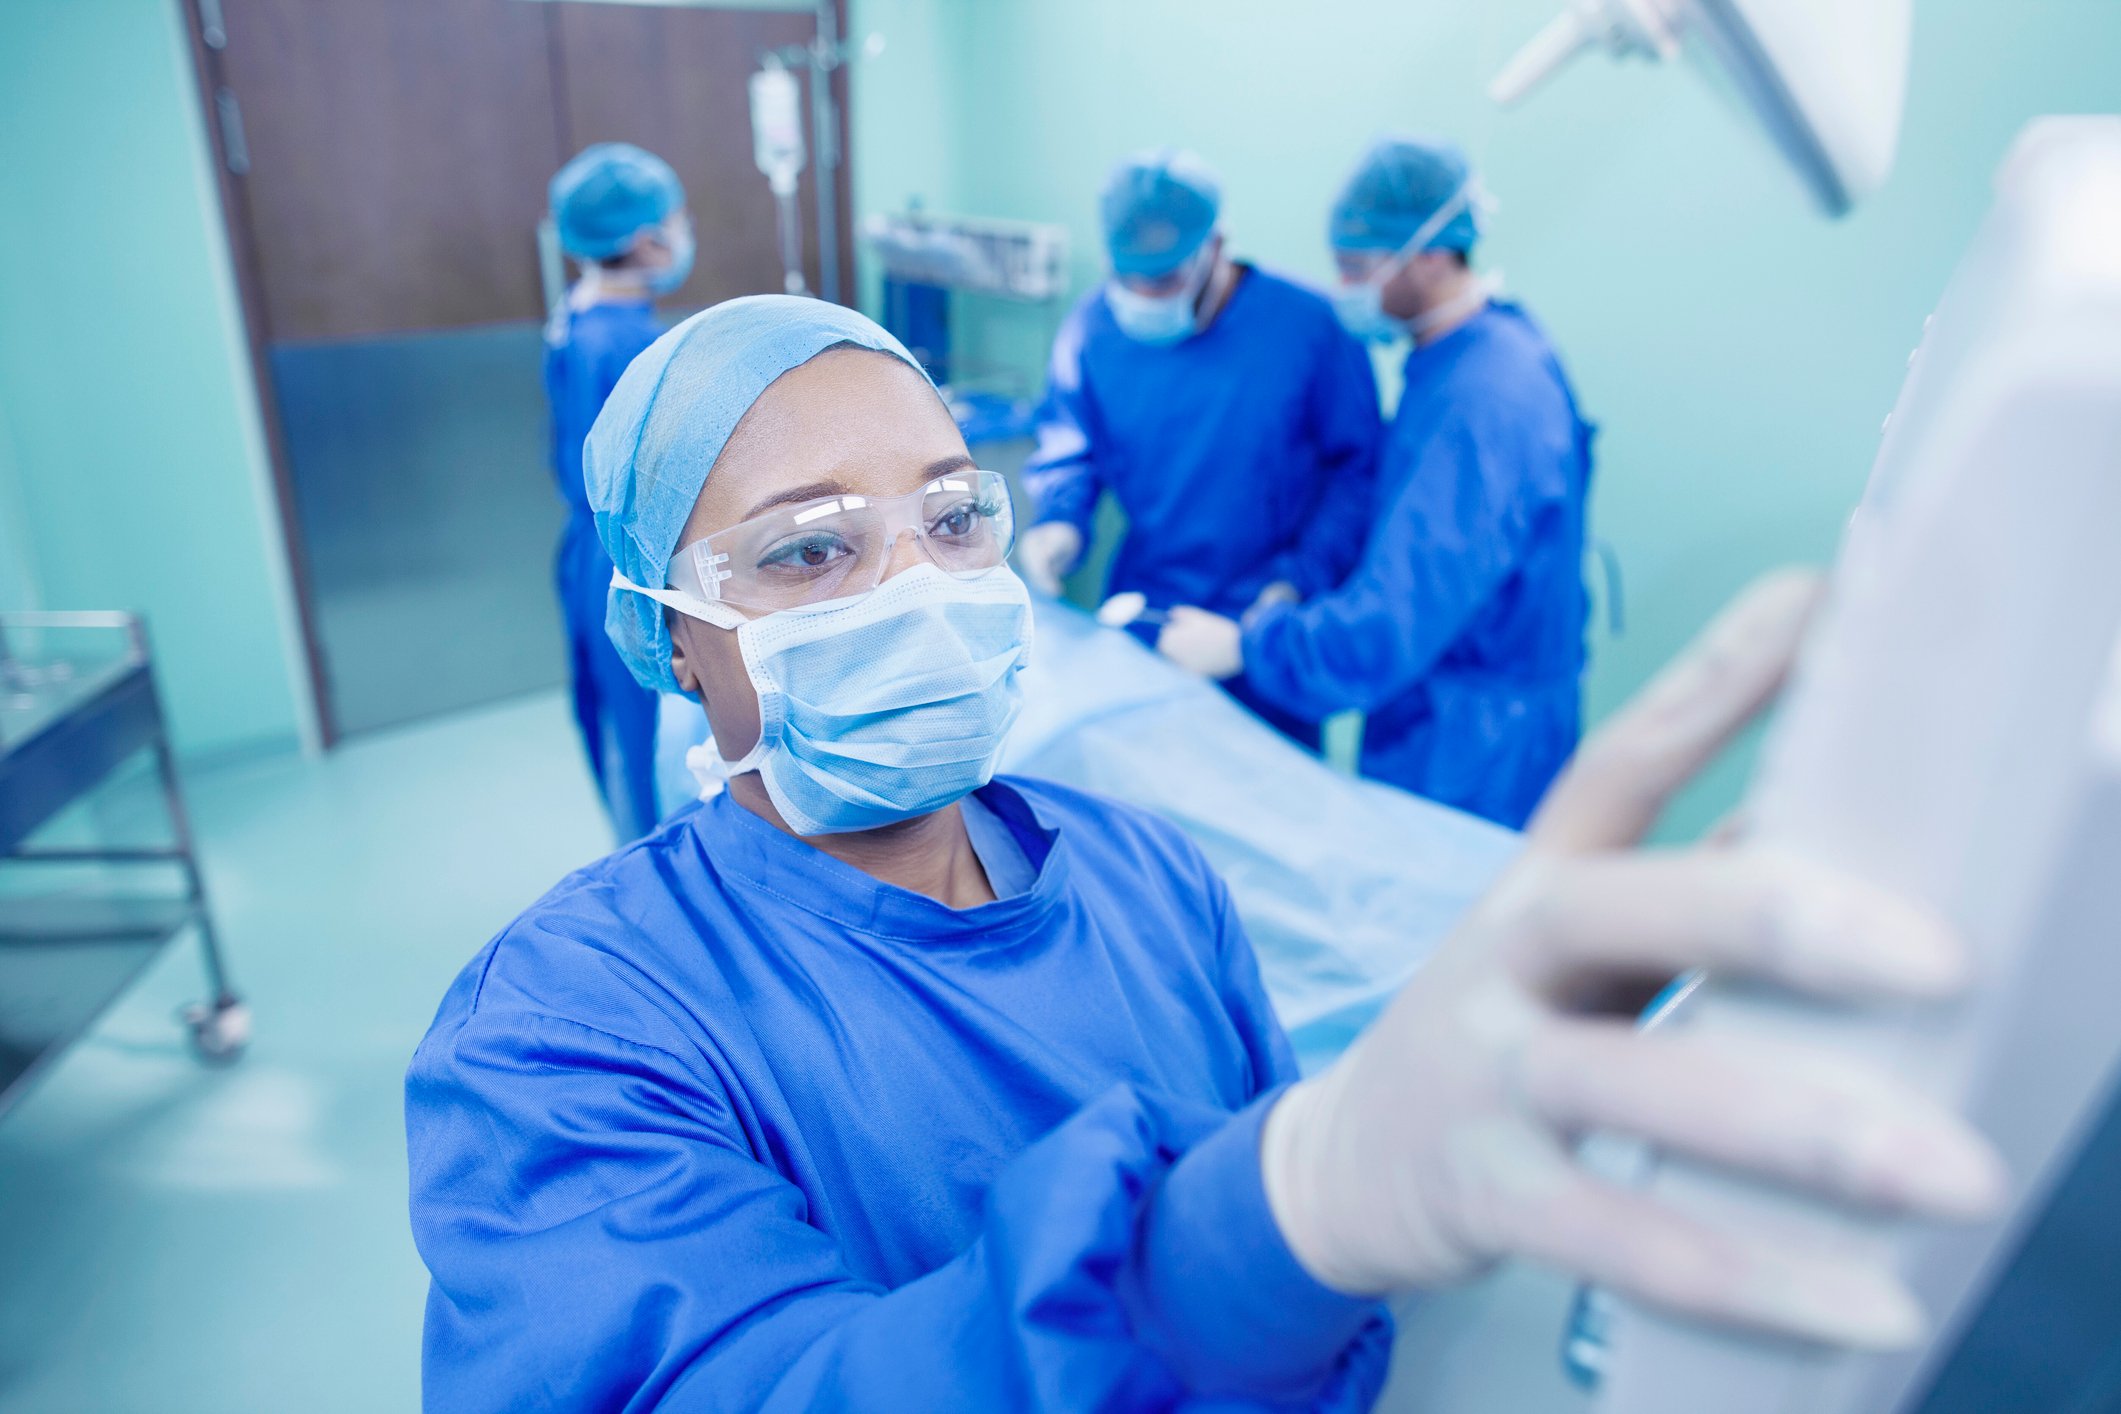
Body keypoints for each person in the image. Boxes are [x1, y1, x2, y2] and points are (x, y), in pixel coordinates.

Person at [406, 295, 2002, 1412]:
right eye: (812, 549)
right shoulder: (567, 1031)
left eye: (954, 518)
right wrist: (1258, 1227)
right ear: (671, 642)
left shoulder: (1151, 881)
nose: (920, 587)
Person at [1157, 138, 1594, 828]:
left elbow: (1393, 620)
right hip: (1452, 722)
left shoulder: (1482, 401)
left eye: (1357, 268)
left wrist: (1249, 646)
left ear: (1428, 255)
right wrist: (1295, 585)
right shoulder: (1462, 356)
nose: (1344, 290)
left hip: (1472, 753)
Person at [1016, 149, 1382, 747]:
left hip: (1259, 627)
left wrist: (1294, 584)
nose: (1141, 295)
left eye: (1161, 279)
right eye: (1126, 277)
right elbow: (1070, 442)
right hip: (1144, 615)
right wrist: (1060, 521)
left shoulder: (1310, 328)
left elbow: (1357, 474)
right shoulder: (1094, 327)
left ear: (1216, 247)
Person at [544, 141, 696, 839]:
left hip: (587, 554)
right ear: (647, 240)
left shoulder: (574, 319)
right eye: (676, 219)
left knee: (617, 733)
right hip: (634, 562)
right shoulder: (636, 343)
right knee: (657, 740)